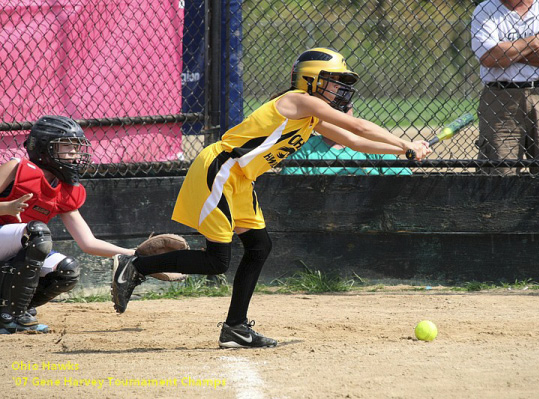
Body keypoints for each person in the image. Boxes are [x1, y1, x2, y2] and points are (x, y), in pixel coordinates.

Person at [110, 47, 432, 348]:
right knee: (216, 261)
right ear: (311, 80)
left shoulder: (312, 117)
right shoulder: (300, 100)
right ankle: (135, 265)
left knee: (259, 246)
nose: (339, 89)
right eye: (333, 81)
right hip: (221, 169)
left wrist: (402, 151)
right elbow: (358, 126)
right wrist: (407, 144)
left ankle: (235, 327)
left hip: (240, 179)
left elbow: (352, 140)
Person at [0, 115, 135, 334]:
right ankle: (11, 318)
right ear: (43, 149)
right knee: (37, 234)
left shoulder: (65, 189)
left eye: (77, 147)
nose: (75, 153)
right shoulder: (17, 169)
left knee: (66, 270)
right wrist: (6, 208)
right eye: (67, 146)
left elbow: (88, 242)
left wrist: (131, 252)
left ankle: (16, 310)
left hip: (16, 242)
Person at [471, 0, 539, 175]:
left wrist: (507, 53)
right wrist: (534, 42)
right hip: (500, 97)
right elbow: (489, 58)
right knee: (499, 172)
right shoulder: (485, 9)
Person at [280, 133, 412, 176]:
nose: (341, 115)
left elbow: (405, 181)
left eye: (345, 107)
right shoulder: (305, 149)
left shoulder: (371, 145)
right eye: (335, 109)